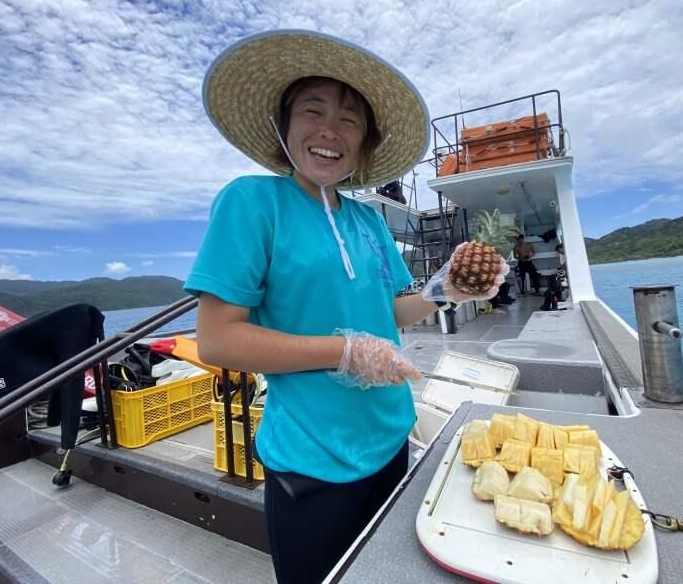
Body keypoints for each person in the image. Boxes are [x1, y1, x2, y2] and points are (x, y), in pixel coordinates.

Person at [184, 30, 507, 584]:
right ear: (282, 127)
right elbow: (218, 339)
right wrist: (344, 351)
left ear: (363, 146)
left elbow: (389, 312)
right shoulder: (252, 203)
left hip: (392, 443)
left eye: (350, 121)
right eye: (313, 111)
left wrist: (442, 292)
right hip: (311, 466)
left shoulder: (368, 221)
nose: (330, 130)